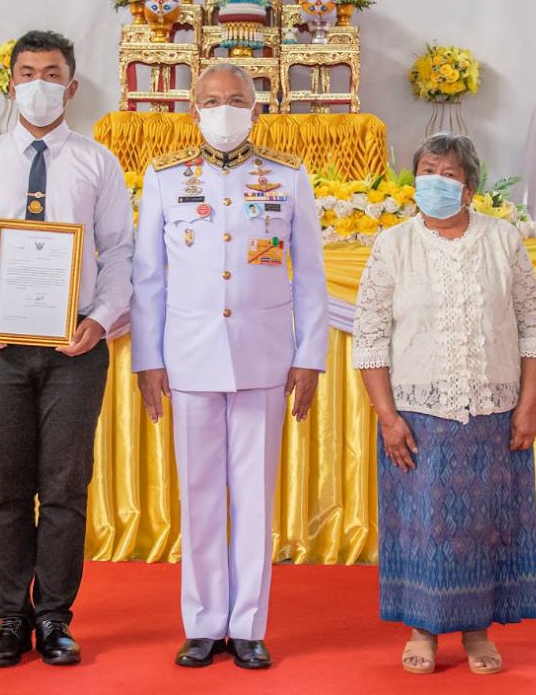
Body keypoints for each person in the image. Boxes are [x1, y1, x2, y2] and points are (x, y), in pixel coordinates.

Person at [0, 30, 135, 668]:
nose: (39, 84)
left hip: (75, 346)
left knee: (64, 486)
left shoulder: (97, 163)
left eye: (52, 73)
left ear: (72, 87)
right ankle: (9, 618)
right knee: (6, 485)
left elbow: (122, 253)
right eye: (28, 73)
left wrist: (103, 319)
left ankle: (53, 617)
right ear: (11, 82)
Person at [130, 63, 328, 670]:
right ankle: (202, 621)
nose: (224, 110)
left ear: (256, 108)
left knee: (254, 495)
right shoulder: (164, 178)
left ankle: (246, 625)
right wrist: (148, 360)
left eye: (236, 99)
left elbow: (311, 278)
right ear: (193, 109)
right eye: (212, 100)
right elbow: (148, 281)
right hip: (188, 358)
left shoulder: (288, 178)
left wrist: (310, 358)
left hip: (263, 357)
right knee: (198, 495)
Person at [351, 133, 536, 676]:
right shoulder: (393, 245)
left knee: (484, 524)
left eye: (448, 173)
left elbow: (534, 329)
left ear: (469, 189)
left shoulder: (503, 240)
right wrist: (387, 418)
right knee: (424, 526)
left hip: (493, 412)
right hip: (417, 415)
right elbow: (368, 339)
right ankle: (422, 629)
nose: (435, 181)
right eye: (427, 170)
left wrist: (528, 407)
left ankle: (477, 632)